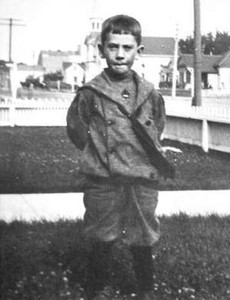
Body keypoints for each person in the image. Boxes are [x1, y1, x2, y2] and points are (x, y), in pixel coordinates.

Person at [67, 14, 174, 300]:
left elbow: (157, 128)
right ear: (101, 49)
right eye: (112, 47)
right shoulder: (91, 93)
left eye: (127, 48)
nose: (119, 54)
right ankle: (98, 287)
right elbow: (76, 130)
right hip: (103, 177)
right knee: (102, 233)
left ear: (138, 52)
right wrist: (99, 153)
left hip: (142, 176)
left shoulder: (150, 93)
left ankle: (145, 289)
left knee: (143, 233)